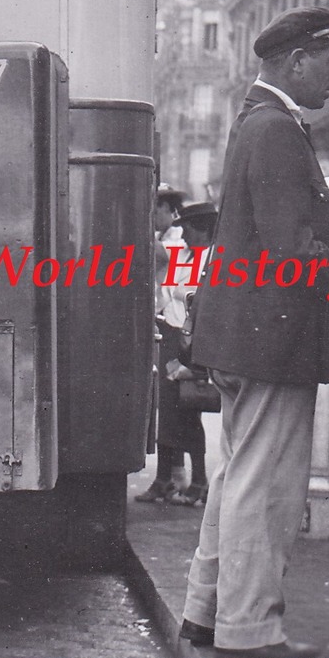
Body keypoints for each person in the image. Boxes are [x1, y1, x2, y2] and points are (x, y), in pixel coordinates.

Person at [179, 6, 329, 658]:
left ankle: (207, 612)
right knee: (264, 486)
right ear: (295, 62)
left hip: (241, 330)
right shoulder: (278, 131)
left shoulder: (255, 123)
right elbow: (291, 252)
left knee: (234, 476)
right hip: (271, 333)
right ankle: (249, 629)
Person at [141, 201, 218, 506]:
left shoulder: (214, 260)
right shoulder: (182, 256)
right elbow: (166, 292)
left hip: (193, 344)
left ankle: (198, 480)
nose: (183, 233)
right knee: (170, 411)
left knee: (188, 409)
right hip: (172, 338)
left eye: (188, 229)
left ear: (203, 230)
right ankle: (166, 479)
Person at [136, 185, 193, 503]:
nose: (154, 217)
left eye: (156, 211)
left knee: (173, 406)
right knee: (171, 408)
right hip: (167, 324)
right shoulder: (172, 240)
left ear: (170, 211)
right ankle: (173, 474)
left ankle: (168, 478)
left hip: (174, 328)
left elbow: (168, 282)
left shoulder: (176, 242)